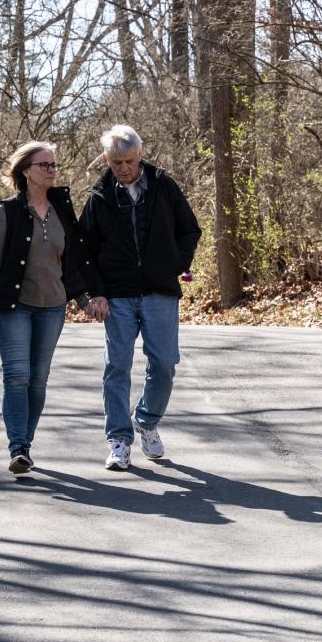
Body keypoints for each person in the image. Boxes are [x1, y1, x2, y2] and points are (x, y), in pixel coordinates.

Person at [79, 125, 201, 471]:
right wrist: (95, 292)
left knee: (164, 363)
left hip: (159, 290)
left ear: (140, 156)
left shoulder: (163, 185)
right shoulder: (99, 196)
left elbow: (190, 228)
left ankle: (146, 420)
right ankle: (118, 439)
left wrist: (175, 262)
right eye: (116, 161)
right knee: (116, 367)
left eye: (129, 161)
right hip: (116, 295)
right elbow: (85, 248)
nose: (123, 168)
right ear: (106, 159)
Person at [0, 141, 96, 475]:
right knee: (17, 375)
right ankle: (17, 446)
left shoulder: (62, 208)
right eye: (44, 165)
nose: (52, 171)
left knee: (39, 379)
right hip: (13, 306)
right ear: (26, 171)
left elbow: (73, 259)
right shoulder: (7, 211)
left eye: (54, 165)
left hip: (53, 306)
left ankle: (25, 445)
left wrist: (84, 298)